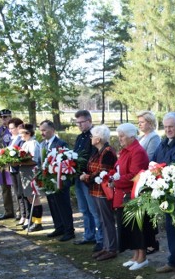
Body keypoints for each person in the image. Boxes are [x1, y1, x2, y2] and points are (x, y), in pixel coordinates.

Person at [153, 112, 175, 279]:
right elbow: (154, 161)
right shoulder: (163, 143)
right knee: (170, 229)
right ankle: (173, 260)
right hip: (163, 191)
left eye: (171, 127)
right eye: (165, 127)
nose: (168, 130)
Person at [113, 123, 151, 270]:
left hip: (133, 195)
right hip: (124, 194)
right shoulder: (125, 150)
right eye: (119, 136)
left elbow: (135, 175)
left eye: (122, 136)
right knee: (130, 227)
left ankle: (142, 258)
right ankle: (135, 256)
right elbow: (119, 168)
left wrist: (115, 181)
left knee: (138, 228)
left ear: (131, 136)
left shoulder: (137, 151)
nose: (119, 139)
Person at [80, 125, 118, 261]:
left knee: (107, 220)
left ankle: (112, 248)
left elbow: (103, 172)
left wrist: (87, 177)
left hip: (103, 191)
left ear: (98, 138)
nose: (90, 138)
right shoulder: (97, 151)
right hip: (95, 190)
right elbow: (92, 168)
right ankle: (106, 247)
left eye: (92, 135)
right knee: (101, 220)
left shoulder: (107, 152)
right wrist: (87, 175)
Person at [72, 110, 103, 250]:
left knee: (94, 210)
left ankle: (100, 238)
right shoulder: (79, 137)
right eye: (77, 122)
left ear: (89, 121)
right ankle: (88, 235)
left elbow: (93, 157)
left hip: (89, 178)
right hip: (78, 176)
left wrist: (86, 173)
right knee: (84, 209)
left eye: (82, 122)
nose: (79, 125)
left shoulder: (95, 136)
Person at [40, 120, 75, 241]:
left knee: (63, 205)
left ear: (52, 130)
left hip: (60, 180)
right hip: (48, 181)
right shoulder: (43, 144)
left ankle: (69, 230)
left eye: (44, 130)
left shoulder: (60, 143)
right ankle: (59, 227)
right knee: (53, 205)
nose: (42, 133)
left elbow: (66, 161)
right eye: (41, 130)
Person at [17, 124, 44, 232]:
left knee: (34, 198)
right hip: (25, 173)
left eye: (22, 133)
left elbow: (34, 159)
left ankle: (38, 222)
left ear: (28, 133)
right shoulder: (26, 143)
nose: (20, 136)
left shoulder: (33, 143)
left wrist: (18, 161)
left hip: (31, 172)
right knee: (29, 197)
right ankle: (32, 220)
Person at [0, 109, 15, 219]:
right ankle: (8, 211)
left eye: (5, 117)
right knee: (4, 188)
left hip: (11, 162)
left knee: (15, 187)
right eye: (1, 117)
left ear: (10, 117)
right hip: (0, 163)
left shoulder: (13, 130)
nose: (3, 119)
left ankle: (21, 212)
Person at [7, 117, 28, 225]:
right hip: (12, 169)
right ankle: (22, 214)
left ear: (19, 127)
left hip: (20, 169)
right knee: (17, 193)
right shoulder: (12, 139)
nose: (10, 130)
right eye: (9, 128)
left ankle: (26, 216)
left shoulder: (21, 139)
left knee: (22, 193)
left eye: (12, 128)